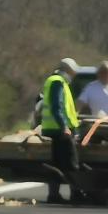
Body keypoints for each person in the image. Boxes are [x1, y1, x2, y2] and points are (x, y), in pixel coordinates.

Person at [40, 58, 82, 204]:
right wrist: (64, 126)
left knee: (57, 164)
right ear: (68, 70)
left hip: (55, 128)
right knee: (71, 163)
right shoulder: (58, 82)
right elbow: (56, 106)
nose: (74, 75)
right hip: (59, 129)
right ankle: (76, 194)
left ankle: (53, 195)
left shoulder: (58, 81)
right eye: (73, 72)